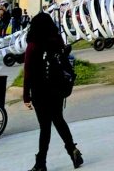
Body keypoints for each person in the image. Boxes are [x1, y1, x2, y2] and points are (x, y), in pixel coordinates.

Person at [23, 13, 83, 171]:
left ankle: (40, 163)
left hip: (39, 90)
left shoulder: (33, 45)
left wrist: (26, 95)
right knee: (59, 120)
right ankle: (73, 150)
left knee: (45, 127)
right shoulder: (57, 41)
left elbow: (28, 72)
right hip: (57, 88)